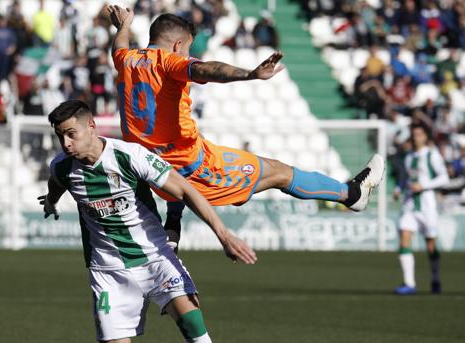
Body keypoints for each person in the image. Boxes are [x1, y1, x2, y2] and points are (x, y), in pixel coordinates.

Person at [108, 6, 385, 250]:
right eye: (188, 49)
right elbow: (208, 69)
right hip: (199, 170)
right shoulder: (171, 62)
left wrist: (124, 26)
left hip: (154, 172)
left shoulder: (127, 60)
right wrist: (249, 74)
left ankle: (172, 227)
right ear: (179, 45)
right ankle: (351, 195)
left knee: (183, 143)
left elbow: (118, 46)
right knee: (278, 172)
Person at [39, 100, 256, 343]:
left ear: (91, 126)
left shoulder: (130, 155)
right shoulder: (62, 167)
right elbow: (55, 186)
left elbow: (185, 190)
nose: (65, 143)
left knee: (193, 325)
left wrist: (225, 236)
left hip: (155, 257)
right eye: (60, 137)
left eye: (71, 134)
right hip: (108, 271)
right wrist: (50, 202)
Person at [393, 124, 449, 295]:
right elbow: (404, 177)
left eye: (419, 134)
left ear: (425, 137)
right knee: (404, 236)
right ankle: (409, 283)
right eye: (414, 134)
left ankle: (435, 278)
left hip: (427, 206)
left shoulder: (432, 155)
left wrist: (424, 185)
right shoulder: (409, 156)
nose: (416, 137)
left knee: (430, 244)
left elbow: (444, 177)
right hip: (410, 204)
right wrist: (398, 188)